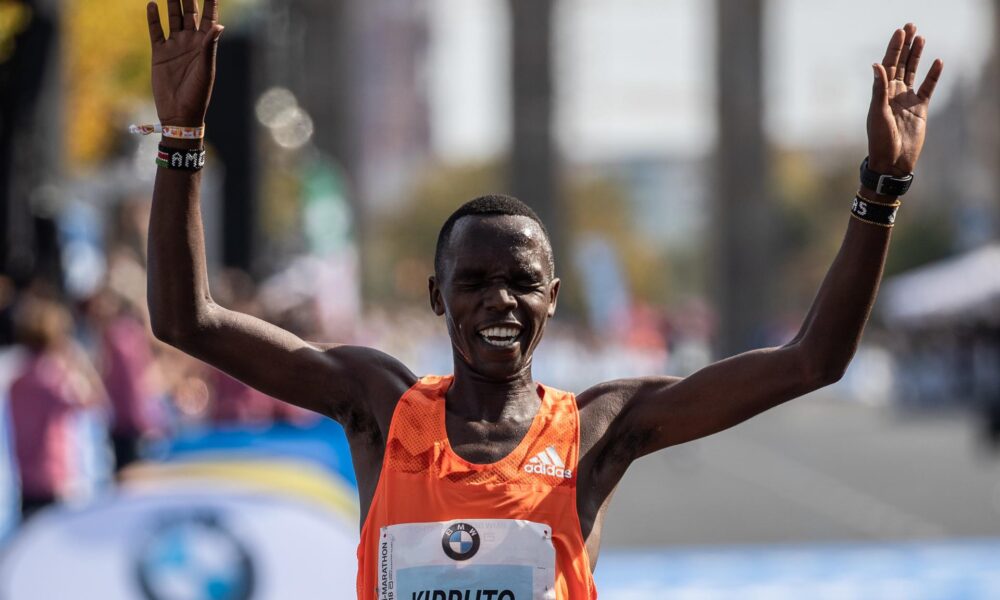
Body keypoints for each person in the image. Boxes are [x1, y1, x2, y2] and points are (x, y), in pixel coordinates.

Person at [143, 1, 943, 597]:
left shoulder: (603, 426)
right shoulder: (379, 405)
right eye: (474, 281)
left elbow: (812, 360)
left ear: (553, 299)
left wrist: (882, 189)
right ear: (434, 296)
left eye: (522, 282)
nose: (500, 301)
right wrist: (181, 141)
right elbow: (188, 320)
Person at [8, 295, 106, 519]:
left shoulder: (17, 381)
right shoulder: (54, 380)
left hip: (27, 479)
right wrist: (77, 360)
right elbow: (93, 400)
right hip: (55, 479)